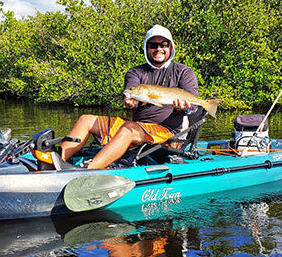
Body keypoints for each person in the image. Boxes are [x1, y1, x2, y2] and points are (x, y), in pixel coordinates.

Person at [59, 24, 199, 169]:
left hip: (167, 132)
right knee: (85, 120)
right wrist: (131, 102)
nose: (158, 49)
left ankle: (88, 170)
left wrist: (184, 109)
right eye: (153, 45)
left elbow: (193, 107)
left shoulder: (184, 72)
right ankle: (57, 164)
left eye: (163, 44)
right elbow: (130, 92)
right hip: (137, 128)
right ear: (146, 48)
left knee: (129, 129)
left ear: (170, 47)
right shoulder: (135, 72)